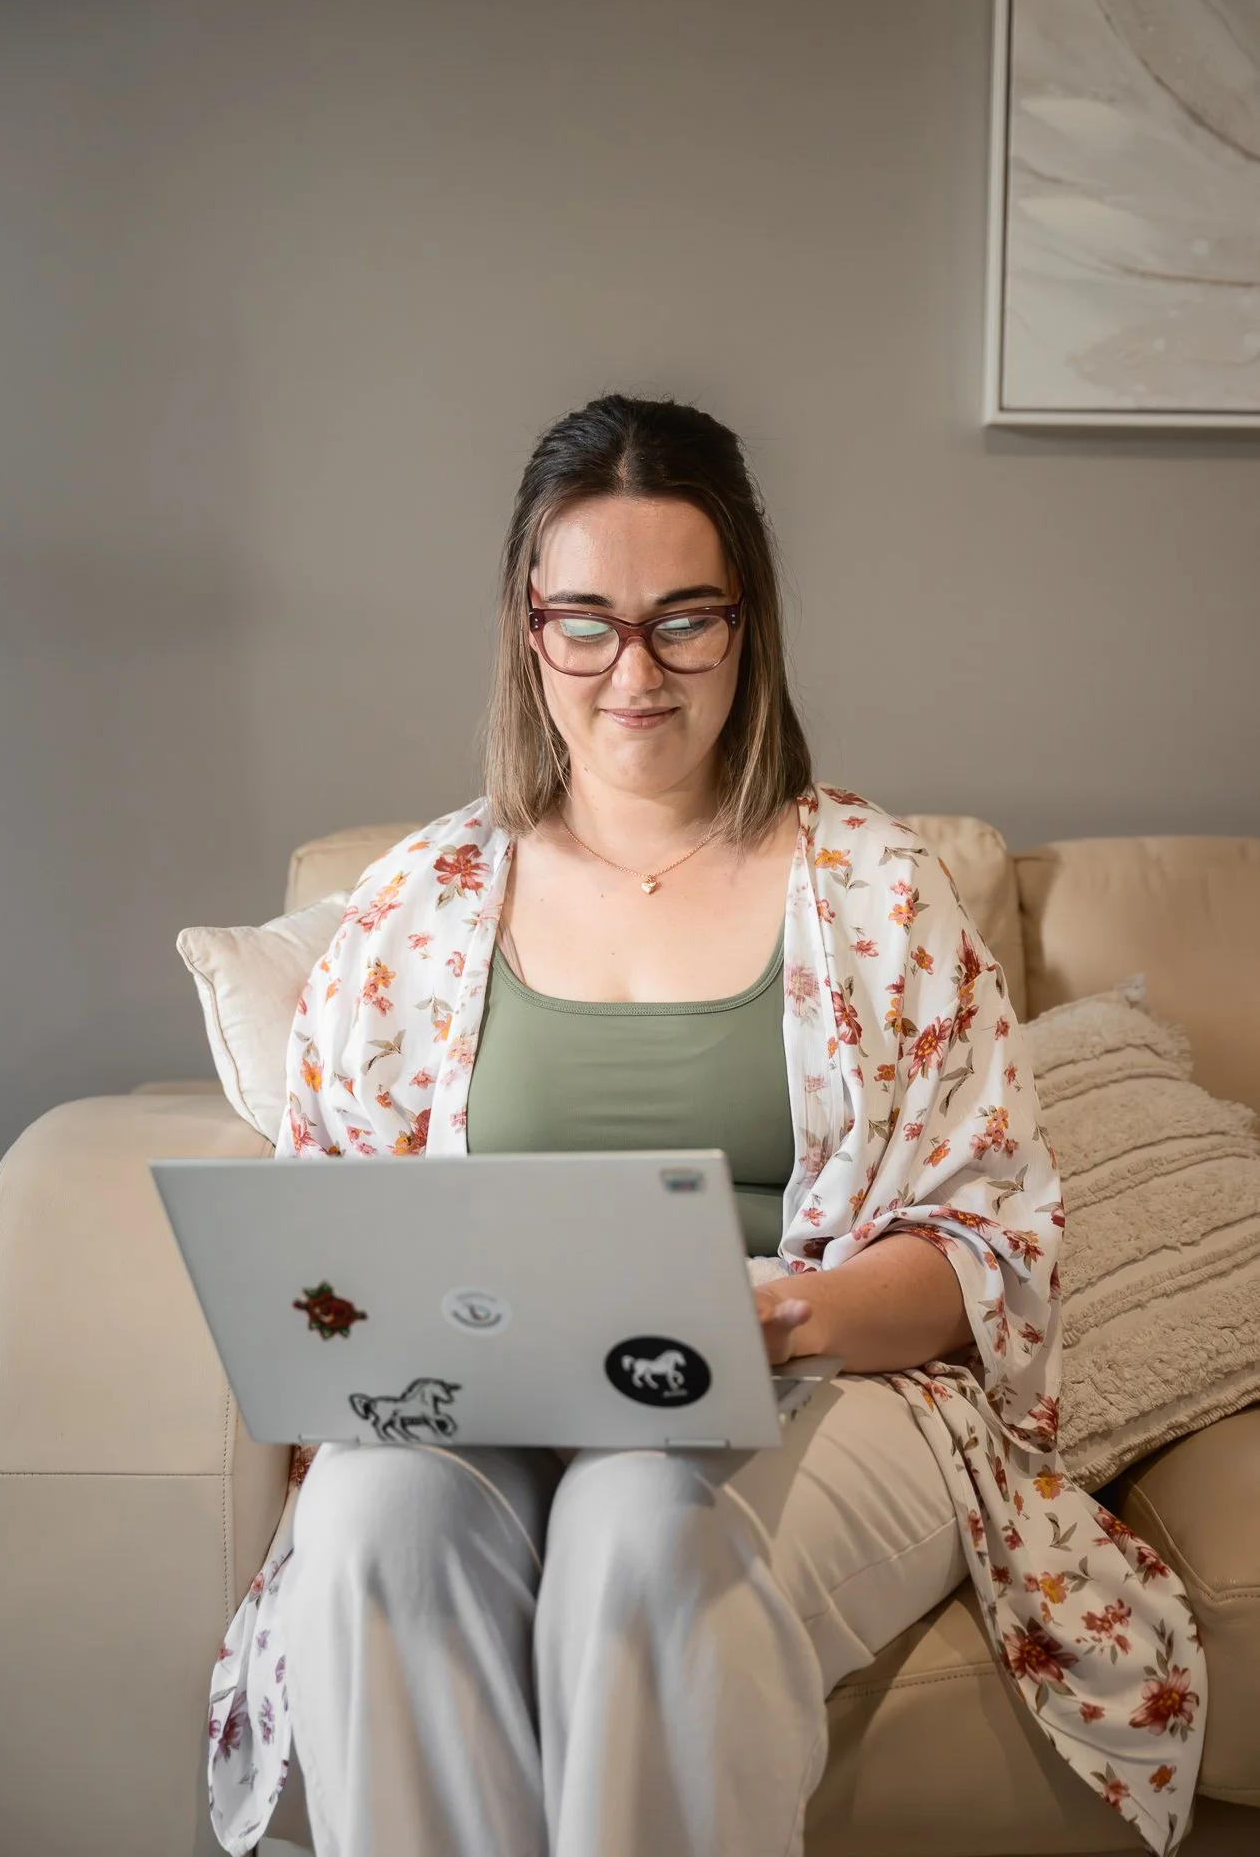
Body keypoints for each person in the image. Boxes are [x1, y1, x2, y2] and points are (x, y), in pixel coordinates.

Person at [206, 395, 1204, 1857]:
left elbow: (992, 1252)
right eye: (587, 621)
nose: (636, 672)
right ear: (525, 626)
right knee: (368, 1528)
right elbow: (331, 1244)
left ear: (750, 624)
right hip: (486, 1405)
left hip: (816, 1383)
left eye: (686, 619)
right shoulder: (413, 907)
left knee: (638, 1529)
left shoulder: (879, 889)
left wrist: (792, 1314)